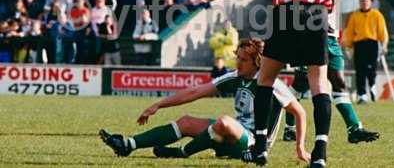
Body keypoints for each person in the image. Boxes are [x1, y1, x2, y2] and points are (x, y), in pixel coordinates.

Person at [196, 0, 346, 167]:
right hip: (318, 16)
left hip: (288, 13)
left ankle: (261, 147)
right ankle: (320, 153)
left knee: (265, 79)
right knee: (319, 84)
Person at [99, 38, 310, 163]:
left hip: (254, 143)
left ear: (257, 62)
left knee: (224, 122)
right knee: (186, 122)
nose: (237, 63)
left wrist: (300, 148)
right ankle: (127, 144)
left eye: (242, 59)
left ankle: (181, 153)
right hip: (231, 134)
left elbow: (299, 112)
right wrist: (158, 105)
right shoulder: (235, 77)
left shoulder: (272, 84)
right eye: (237, 57)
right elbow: (195, 92)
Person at [283, 9, 380, 144]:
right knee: (301, 83)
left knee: (339, 82)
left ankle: (354, 129)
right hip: (311, 36)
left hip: (332, 39)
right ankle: (289, 128)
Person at [344, 0, 388, 104]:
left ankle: (372, 86)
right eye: (363, 1)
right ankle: (362, 95)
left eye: (367, 1)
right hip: (359, 44)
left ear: (371, 2)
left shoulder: (377, 14)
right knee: (360, 70)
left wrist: (384, 44)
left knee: (371, 69)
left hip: (372, 44)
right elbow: (349, 32)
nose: (365, 3)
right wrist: (348, 46)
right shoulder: (355, 15)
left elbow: (382, 31)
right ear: (360, 2)